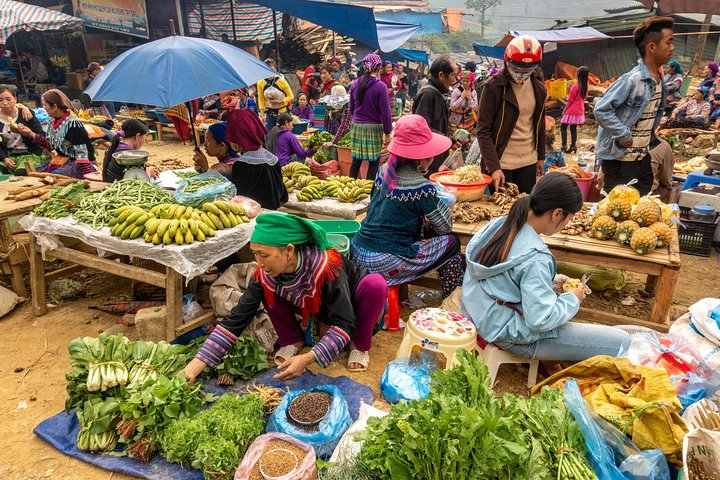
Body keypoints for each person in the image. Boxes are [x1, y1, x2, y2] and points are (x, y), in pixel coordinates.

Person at [184, 213, 388, 381]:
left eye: (264, 255)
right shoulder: (264, 273)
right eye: (255, 254)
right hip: (317, 307)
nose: (259, 262)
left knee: (375, 285)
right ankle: (292, 339)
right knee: (267, 287)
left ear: (289, 250)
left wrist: (309, 358)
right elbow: (238, 317)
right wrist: (197, 364)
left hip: (350, 304)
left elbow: (344, 322)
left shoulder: (327, 267)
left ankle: (359, 345)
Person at [462, 172, 631, 362]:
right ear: (557, 213)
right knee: (622, 341)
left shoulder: (501, 223)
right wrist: (572, 299)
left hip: (478, 312)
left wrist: (551, 281)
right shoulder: (537, 257)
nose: (567, 224)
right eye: (569, 218)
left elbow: (505, 279)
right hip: (508, 335)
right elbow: (540, 320)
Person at [351, 115, 465, 299]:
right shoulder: (422, 187)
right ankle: (452, 299)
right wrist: (441, 202)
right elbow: (445, 227)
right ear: (422, 158)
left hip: (358, 251)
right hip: (383, 261)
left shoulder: (383, 171)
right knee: (452, 244)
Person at [594, 16, 674, 196]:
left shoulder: (660, 81)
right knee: (614, 212)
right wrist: (622, 133)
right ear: (652, 47)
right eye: (668, 42)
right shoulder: (633, 80)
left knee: (640, 211)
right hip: (620, 161)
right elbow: (601, 109)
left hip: (641, 159)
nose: (672, 47)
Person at [477, 35, 547, 194]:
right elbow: (483, 131)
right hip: (503, 164)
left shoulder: (538, 85)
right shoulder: (493, 87)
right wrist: (494, 168)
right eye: (516, 71)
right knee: (503, 212)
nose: (521, 75)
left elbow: (539, 122)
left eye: (527, 71)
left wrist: (540, 156)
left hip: (528, 162)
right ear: (506, 62)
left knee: (525, 210)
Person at [195, 109, 287, 210]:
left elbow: (237, 200)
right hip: (274, 211)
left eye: (231, 136)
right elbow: (283, 195)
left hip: (257, 216)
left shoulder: (242, 164)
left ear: (238, 137)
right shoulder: (273, 158)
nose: (229, 140)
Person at [340, 54, 392, 180]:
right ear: (379, 67)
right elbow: (386, 113)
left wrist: (358, 120)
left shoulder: (355, 84)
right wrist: (387, 133)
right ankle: (368, 189)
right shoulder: (381, 86)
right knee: (373, 162)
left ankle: (349, 185)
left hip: (357, 126)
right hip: (373, 127)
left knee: (356, 160)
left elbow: (351, 109)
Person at [412, 55, 457, 175]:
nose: (454, 80)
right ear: (442, 75)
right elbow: (422, 127)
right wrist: (447, 140)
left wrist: (451, 140)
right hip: (428, 158)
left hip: (437, 155)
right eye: (453, 75)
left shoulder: (438, 94)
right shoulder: (428, 94)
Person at [37, 89, 96, 178]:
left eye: (45, 105)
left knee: (53, 177)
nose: (43, 108)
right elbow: (50, 145)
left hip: (81, 164)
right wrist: (30, 134)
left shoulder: (73, 124)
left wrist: (88, 176)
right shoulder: (52, 122)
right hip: (64, 160)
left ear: (55, 107)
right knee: (36, 172)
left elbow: (82, 155)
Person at [0, 84, 50, 175]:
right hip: (7, 156)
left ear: (15, 99)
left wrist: (27, 133)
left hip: (29, 154)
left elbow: (42, 136)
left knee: (21, 174)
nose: (4, 103)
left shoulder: (26, 114)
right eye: (0, 100)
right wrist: (4, 158)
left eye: (8, 99)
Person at [102, 119, 156, 183]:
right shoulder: (129, 156)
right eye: (145, 137)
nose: (145, 140)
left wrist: (146, 169)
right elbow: (142, 184)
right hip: (121, 189)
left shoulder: (115, 146)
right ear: (137, 136)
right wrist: (149, 173)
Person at [257, 58, 294, 131]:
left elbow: (291, 96)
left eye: (272, 70)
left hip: (282, 112)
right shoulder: (260, 83)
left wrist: (279, 101)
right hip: (269, 112)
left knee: (282, 133)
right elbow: (261, 98)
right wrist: (262, 114)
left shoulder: (281, 81)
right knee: (269, 134)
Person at [560, 66, 590, 153]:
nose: (575, 73)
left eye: (577, 72)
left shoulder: (575, 87)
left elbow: (570, 101)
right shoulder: (586, 87)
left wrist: (564, 110)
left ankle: (564, 145)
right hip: (580, 110)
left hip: (572, 109)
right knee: (573, 128)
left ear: (579, 75)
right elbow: (585, 98)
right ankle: (573, 146)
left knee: (563, 126)